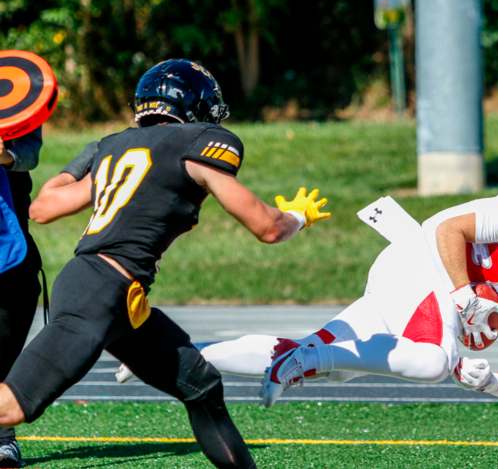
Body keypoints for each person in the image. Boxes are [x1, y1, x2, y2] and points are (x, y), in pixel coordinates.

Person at [0, 59, 330, 469]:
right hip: (100, 294)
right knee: (9, 408)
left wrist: (90, 160)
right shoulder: (197, 144)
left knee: (202, 386)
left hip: (117, 297)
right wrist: (298, 217)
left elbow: (45, 206)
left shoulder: (114, 148)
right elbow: (267, 228)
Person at [199, 178, 498, 404]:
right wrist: (463, 294)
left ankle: (176, 354)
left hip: (434, 296)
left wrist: (493, 381)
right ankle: (305, 363)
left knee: (334, 360)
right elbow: (449, 228)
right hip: (422, 258)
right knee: (434, 360)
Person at [0, 130, 44, 467]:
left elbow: (29, 151)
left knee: (13, 308)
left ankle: (1, 436)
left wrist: (7, 156)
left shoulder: (13, 80)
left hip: (8, 226)